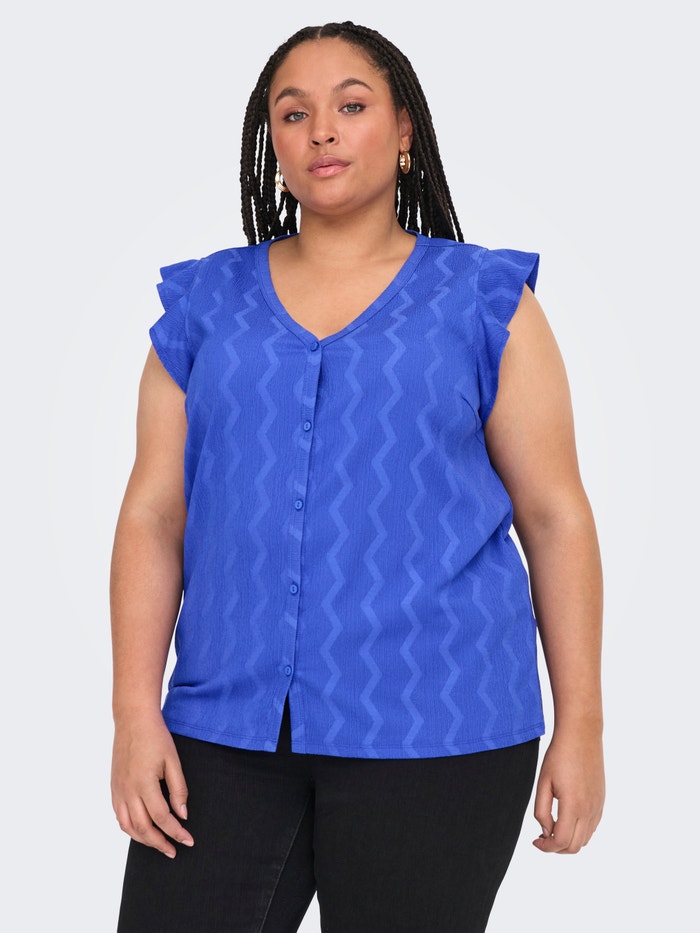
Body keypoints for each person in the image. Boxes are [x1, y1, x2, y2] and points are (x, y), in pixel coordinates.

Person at [110, 20, 605, 933]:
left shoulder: (487, 303)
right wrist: (134, 713)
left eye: (352, 105)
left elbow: (555, 516)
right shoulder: (203, 306)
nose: (323, 131)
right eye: (294, 113)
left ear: (404, 129)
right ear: (272, 142)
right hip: (224, 725)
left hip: (441, 726)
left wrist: (583, 724)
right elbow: (153, 516)